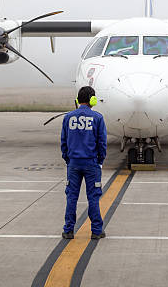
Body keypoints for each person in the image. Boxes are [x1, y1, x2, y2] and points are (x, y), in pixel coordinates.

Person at [61, 86, 107, 240]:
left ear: (78, 100)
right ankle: (96, 230)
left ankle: (68, 230)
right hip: (91, 163)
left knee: (71, 197)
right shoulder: (98, 118)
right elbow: (102, 143)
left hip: (73, 163)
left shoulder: (68, 117)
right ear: (92, 99)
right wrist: (100, 161)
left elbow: (63, 142)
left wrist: (68, 159)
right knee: (93, 197)